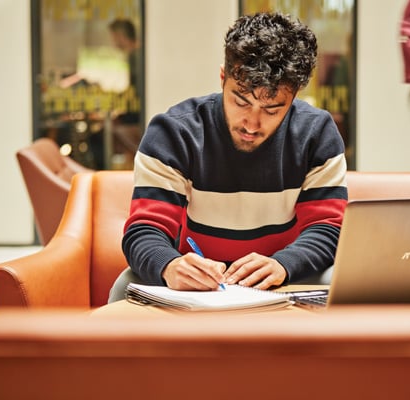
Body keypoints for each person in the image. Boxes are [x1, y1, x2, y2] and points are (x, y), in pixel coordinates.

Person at [108, 12, 348, 301]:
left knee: (339, 280)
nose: (251, 123)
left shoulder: (316, 132)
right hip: (197, 283)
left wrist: (285, 263)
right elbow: (145, 229)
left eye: (272, 110)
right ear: (223, 77)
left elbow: (328, 228)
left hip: (282, 274)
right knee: (125, 285)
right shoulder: (174, 133)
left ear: (294, 95)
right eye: (240, 100)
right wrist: (169, 265)